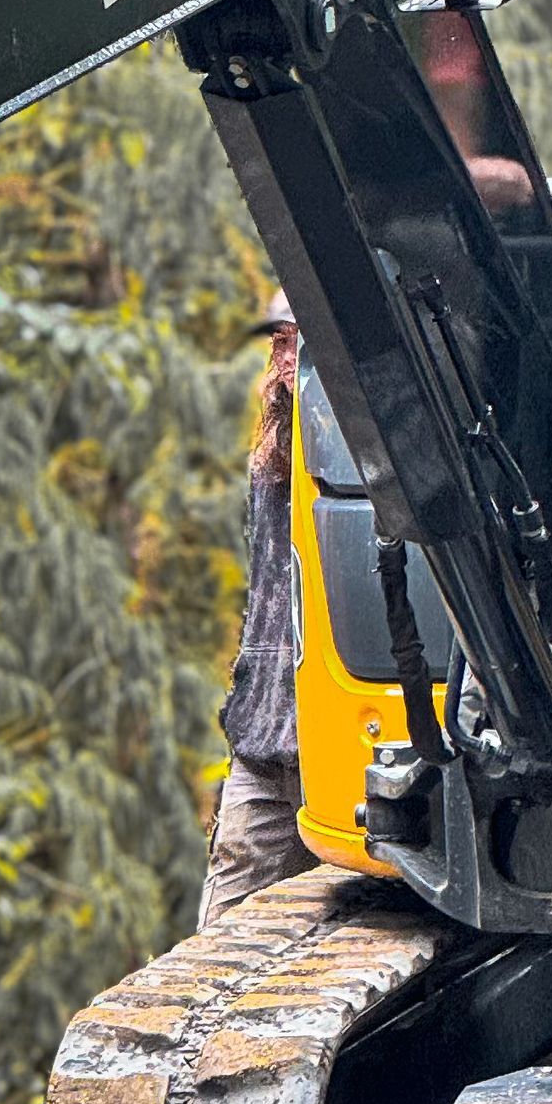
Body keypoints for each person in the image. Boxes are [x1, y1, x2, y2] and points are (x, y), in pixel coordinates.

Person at [197, 292, 314, 923]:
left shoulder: (386, 455)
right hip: (267, 747)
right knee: (218, 938)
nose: (286, 356)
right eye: (280, 342)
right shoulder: (268, 463)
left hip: (359, 755)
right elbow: (266, 601)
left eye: (300, 340)